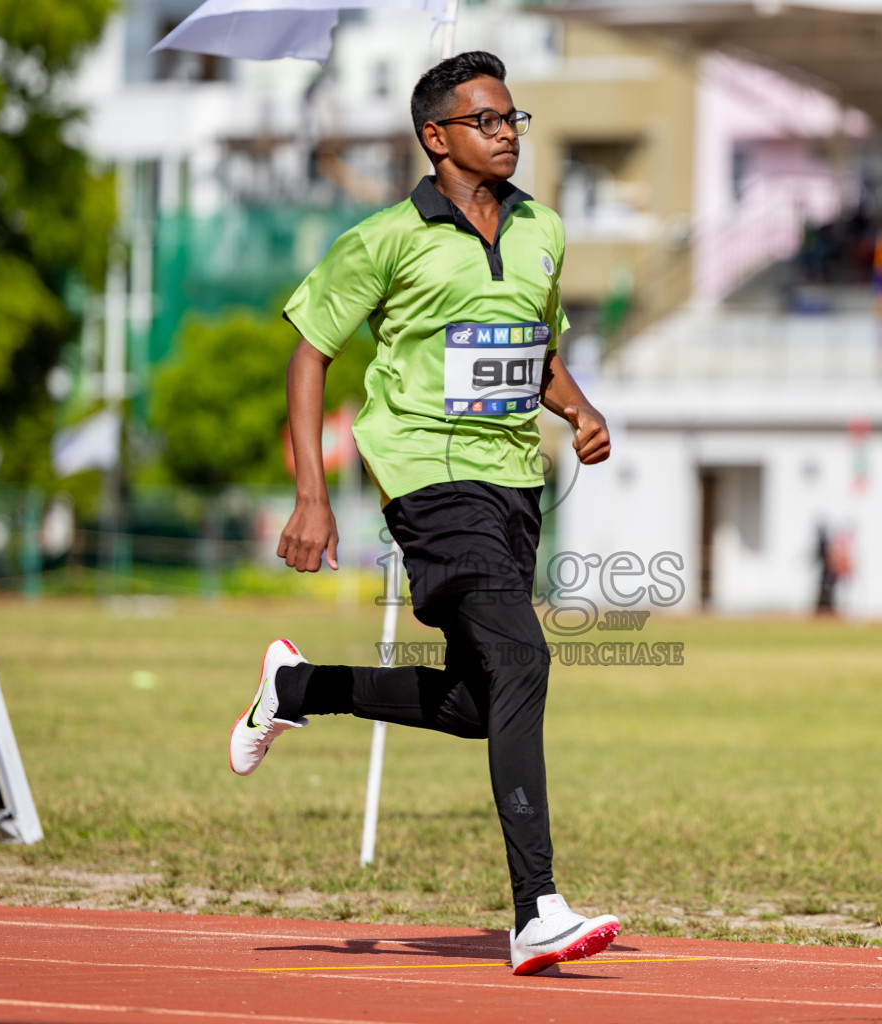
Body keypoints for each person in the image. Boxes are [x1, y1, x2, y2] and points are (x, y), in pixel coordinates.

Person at [226, 52, 618, 977]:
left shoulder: (544, 232)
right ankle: (539, 911)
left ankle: (297, 689)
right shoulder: (385, 240)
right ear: (436, 138)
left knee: (485, 704)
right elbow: (310, 350)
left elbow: (536, 350)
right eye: (487, 120)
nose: (507, 133)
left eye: (514, 119)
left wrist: (580, 409)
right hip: (428, 482)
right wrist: (311, 496)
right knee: (524, 657)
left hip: (515, 482)